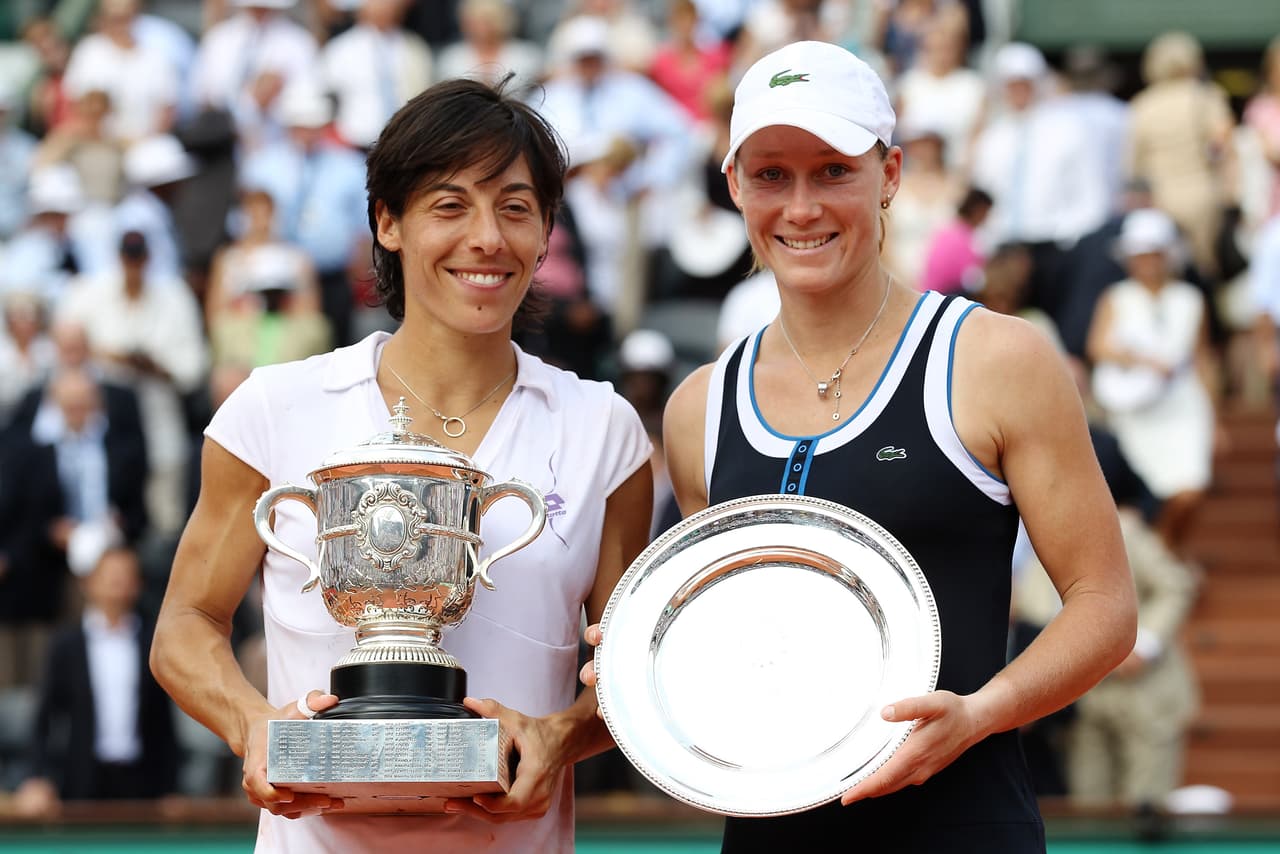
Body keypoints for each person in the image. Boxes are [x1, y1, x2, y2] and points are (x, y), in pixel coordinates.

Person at [583, 40, 1136, 852]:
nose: (801, 208)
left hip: (963, 825)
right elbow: (740, 649)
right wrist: (647, 665)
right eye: (771, 175)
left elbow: (1106, 606)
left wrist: (981, 714)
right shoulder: (699, 407)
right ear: (734, 184)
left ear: (893, 174)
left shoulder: (996, 359)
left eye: (834, 170)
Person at [150, 77, 653, 853]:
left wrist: (560, 736)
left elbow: (629, 673)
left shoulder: (604, 430)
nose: (487, 238)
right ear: (388, 222)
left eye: (515, 208)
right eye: (450, 206)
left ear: (547, 230)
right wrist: (253, 724)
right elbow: (185, 625)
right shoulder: (272, 409)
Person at [1086, 208, 1219, 556]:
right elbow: (1098, 348)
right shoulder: (1116, 297)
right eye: (1140, 255)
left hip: (1183, 406)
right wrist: (1144, 361)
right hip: (1136, 411)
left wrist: (1215, 417)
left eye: (1153, 254)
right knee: (1149, 494)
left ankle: (1164, 555)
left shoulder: (1191, 299)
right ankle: (1162, 561)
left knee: (1191, 490)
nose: (1147, 262)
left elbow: (1202, 359)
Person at [13, 546, 179, 815]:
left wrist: (171, 787)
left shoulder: (152, 643)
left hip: (141, 780)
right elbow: (44, 716)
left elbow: (163, 721)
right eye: (109, 574)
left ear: (137, 585)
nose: (117, 582)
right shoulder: (66, 645)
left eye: (125, 575)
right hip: (80, 777)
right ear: (88, 583)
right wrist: (37, 777)